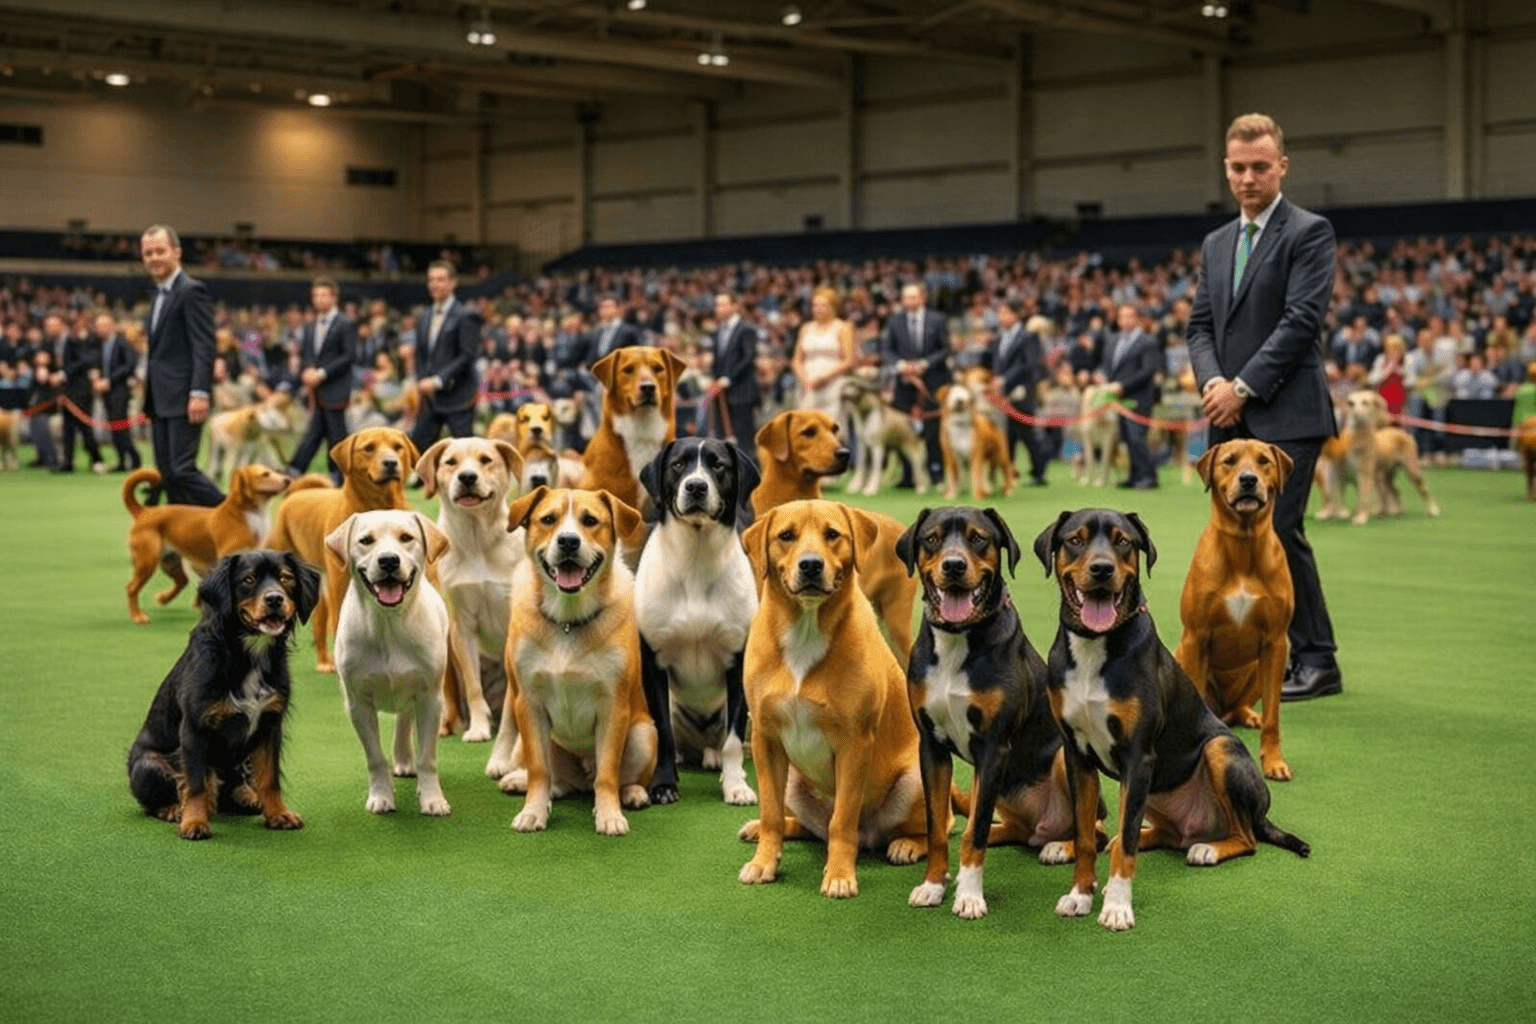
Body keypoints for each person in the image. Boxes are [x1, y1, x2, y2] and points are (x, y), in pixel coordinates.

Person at [1187, 112, 1341, 702]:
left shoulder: (1309, 231)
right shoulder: (1217, 242)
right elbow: (1200, 325)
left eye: (1259, 166)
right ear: (1226, 170)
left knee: (1281, 530)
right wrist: (1213, 385)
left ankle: (1317, 659)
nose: (1248, 178)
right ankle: (1250, 656)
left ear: (1282, 166)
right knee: (1231, 536)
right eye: (1238, 168)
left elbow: (1302, 320)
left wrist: (1241, 388)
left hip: (1289, 410)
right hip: (1227, 412)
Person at [139, 224, 223, 506]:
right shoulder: (157, 293)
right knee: (167, 474)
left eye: (160, 251)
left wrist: (199, 391)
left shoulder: (192, 291)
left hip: (185, 397)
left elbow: (203, 345)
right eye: (148, 253)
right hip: (160, 398)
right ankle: (178, 544)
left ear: (177, 252)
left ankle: (234, 513)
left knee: (181, 470)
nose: (154, 258)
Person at [284, 277, 355, 484]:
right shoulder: (309, 326)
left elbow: (348, 356)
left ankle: (338, 475)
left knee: (336, 434)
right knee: (315, 433)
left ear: (334, 297)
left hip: (335, 388)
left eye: (324, 295)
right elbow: (308, 355)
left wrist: (322, 373)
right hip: (316, 390)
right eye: (316, 296)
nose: (319, 299)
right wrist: (306, 371)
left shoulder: (345, 324)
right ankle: (297, 469)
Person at [880, 281, 951, 486]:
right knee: (903, 429)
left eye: (913, 296)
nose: (909, 301)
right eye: (906, 297)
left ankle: (936, 471)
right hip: (904, 384)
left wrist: (924, 364)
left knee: (932, 429)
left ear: (922, 298)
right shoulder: (894, 322)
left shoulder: (937, 320)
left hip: (933, 382)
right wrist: (901, 365)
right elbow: (887, 350)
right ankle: (908, 475)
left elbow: (945, 349)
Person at [406, 260, 481, 455]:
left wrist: (438, 380)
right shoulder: (423, 315)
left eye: (441, 279)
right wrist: (422, 380)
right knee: (416, 449)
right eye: (431, 279)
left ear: (453, 283)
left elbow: (467, 356)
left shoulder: (467, 315)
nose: (434, 284)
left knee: (466, 454)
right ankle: (422, 483)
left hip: (459, 395)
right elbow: (422, 354)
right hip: (431, 397)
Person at [985, 298, 1048, 485]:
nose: (1001, 317)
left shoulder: (1028, 336)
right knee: (1007, 435)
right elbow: (995, 364)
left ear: (1016, 314)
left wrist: (1006, 380)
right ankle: (1008, 470)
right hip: (1003, 394)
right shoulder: (998, 338)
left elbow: (1028, 365)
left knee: (1028, 434)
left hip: (1022, 391)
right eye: (999, 313)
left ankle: (1038, 472)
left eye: (1005, 312)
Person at [1098, 302, 1162, 489]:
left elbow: (1148, 370)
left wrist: (1123, 386)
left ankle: (1148, 476)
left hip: (1139, 396)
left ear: (1138, 319)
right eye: (1121, 316)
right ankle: (1135, 475)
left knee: (1136, 436)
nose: (1124, 320)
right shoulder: (1114, 340)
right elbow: (1107, 364)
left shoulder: (1147, 341)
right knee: (1126, 437)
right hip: (1118, 399)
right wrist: (1102, 375)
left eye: (1128, 316)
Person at [792, 286, 858, 418]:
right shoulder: (806, 328)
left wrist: (823, 378)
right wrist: (805, 379)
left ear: (833, 307)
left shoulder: (843, 328)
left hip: (833, 384)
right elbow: (796, 360)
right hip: (807, 384)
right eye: (815, 305)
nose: (817, 309)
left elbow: (849, 360)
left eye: (823, 305)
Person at [708, 292, 761, 447]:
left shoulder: (746, 329)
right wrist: (714, 379)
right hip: (722, 393)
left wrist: (727, 378)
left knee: (743, 439)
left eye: (722, 304)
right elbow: (718, 361)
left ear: (734, 306)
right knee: (723, 439)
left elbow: (748, 358)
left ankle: (747, 471)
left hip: (741, 392)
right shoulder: (717, 332)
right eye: (716, 305)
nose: (718, 308)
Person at [92, 312, 141, 472]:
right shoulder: (99, 345)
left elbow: (130, 364)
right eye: (98, 326)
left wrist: (110, 380)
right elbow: (96, 364)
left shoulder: (122, 343)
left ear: (111, 326)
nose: (100, 329)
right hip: (105, 392)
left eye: (103, 326)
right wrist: (97, 378)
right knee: (114, 427)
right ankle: (121, 459)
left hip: (120, 391)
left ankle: (134, 458)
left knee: (120, 426)